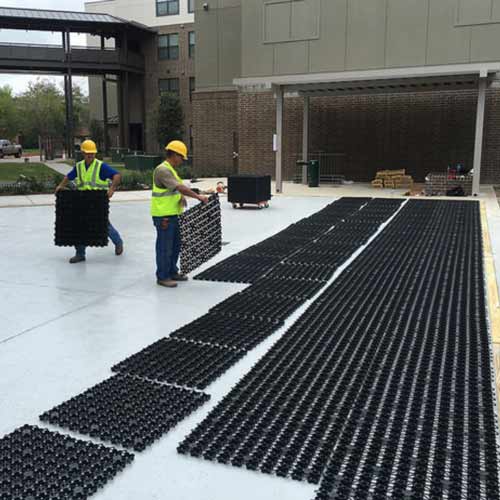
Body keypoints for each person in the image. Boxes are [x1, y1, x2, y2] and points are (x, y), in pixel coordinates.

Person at [55, 139, 123, 264]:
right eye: (88, 153)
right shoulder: (79, 166)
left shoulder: (100, 166)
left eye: (92, 153)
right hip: (82, 201)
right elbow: (68, 177)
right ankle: (80, 254)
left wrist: (112, 189)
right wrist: (60, 186)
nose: (90, 155)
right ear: (83, 153)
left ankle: (118, 242)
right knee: (80, 227)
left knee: (103, 225)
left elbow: (117, 176)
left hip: (97, 202)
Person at [152, 140, 209, 288]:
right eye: (181, 157)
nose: (182, 161)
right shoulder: (162, 170)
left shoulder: (171, 169)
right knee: (165, 247)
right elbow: (179, 187)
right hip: (163, 216)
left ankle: (172, 271)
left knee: (175, 245)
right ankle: (163, 276)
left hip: (173, 214)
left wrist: (181, 197)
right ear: (174, 154)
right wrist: (198, 197)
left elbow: (176, 189)